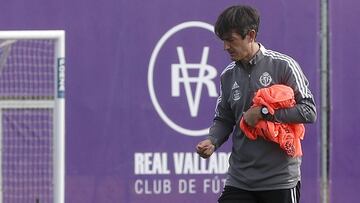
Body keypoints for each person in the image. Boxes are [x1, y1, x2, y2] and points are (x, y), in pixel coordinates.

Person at [196, 5, 317, 203]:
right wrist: (213, 140)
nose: (225, 47)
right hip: (240, 180)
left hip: (280, 180)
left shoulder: (284, 65)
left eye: (230, 40)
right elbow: (224, 118)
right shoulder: (228, 75)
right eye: (223, 41)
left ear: (250, 35)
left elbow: (309, 111)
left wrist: (263, 113)